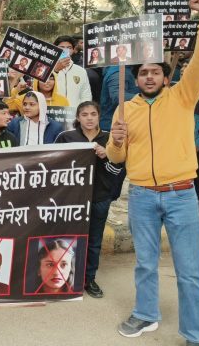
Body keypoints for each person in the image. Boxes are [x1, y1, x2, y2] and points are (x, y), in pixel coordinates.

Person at [108, 0, 199, 343]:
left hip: (181, 195)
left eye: (155, 72)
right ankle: (146, 314)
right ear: (136, 79)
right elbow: (116, 159)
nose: (149, 76)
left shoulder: (183, 97)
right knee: (145, 264)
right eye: (143, 72)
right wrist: (116, 140)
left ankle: (196, 334)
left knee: (190, 272)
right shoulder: (125, 109)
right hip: (141, 197)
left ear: (167, 77)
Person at [56, 101, 122, 298]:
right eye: (84, 114)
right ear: (78, 117)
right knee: (68, 239)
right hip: (71, 200)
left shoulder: (110, 139)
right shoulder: (66, 137)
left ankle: (89, 278)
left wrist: (106, 155)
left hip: (99, 198)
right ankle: (66, 277)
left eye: (93, 113)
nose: (89, 118)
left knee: (94, 241)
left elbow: (118, 170)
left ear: (99, 115)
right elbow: (55, 167)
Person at [53, 36, 93, 108]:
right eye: (61, 47)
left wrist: (82, 112)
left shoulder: (81, 71)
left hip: (74, 115)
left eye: (69, 48)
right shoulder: (46, 68)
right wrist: (55, 70)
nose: (65, 50)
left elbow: (86, 95)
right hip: (52, 113)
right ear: (55, 48)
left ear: (74, 50)